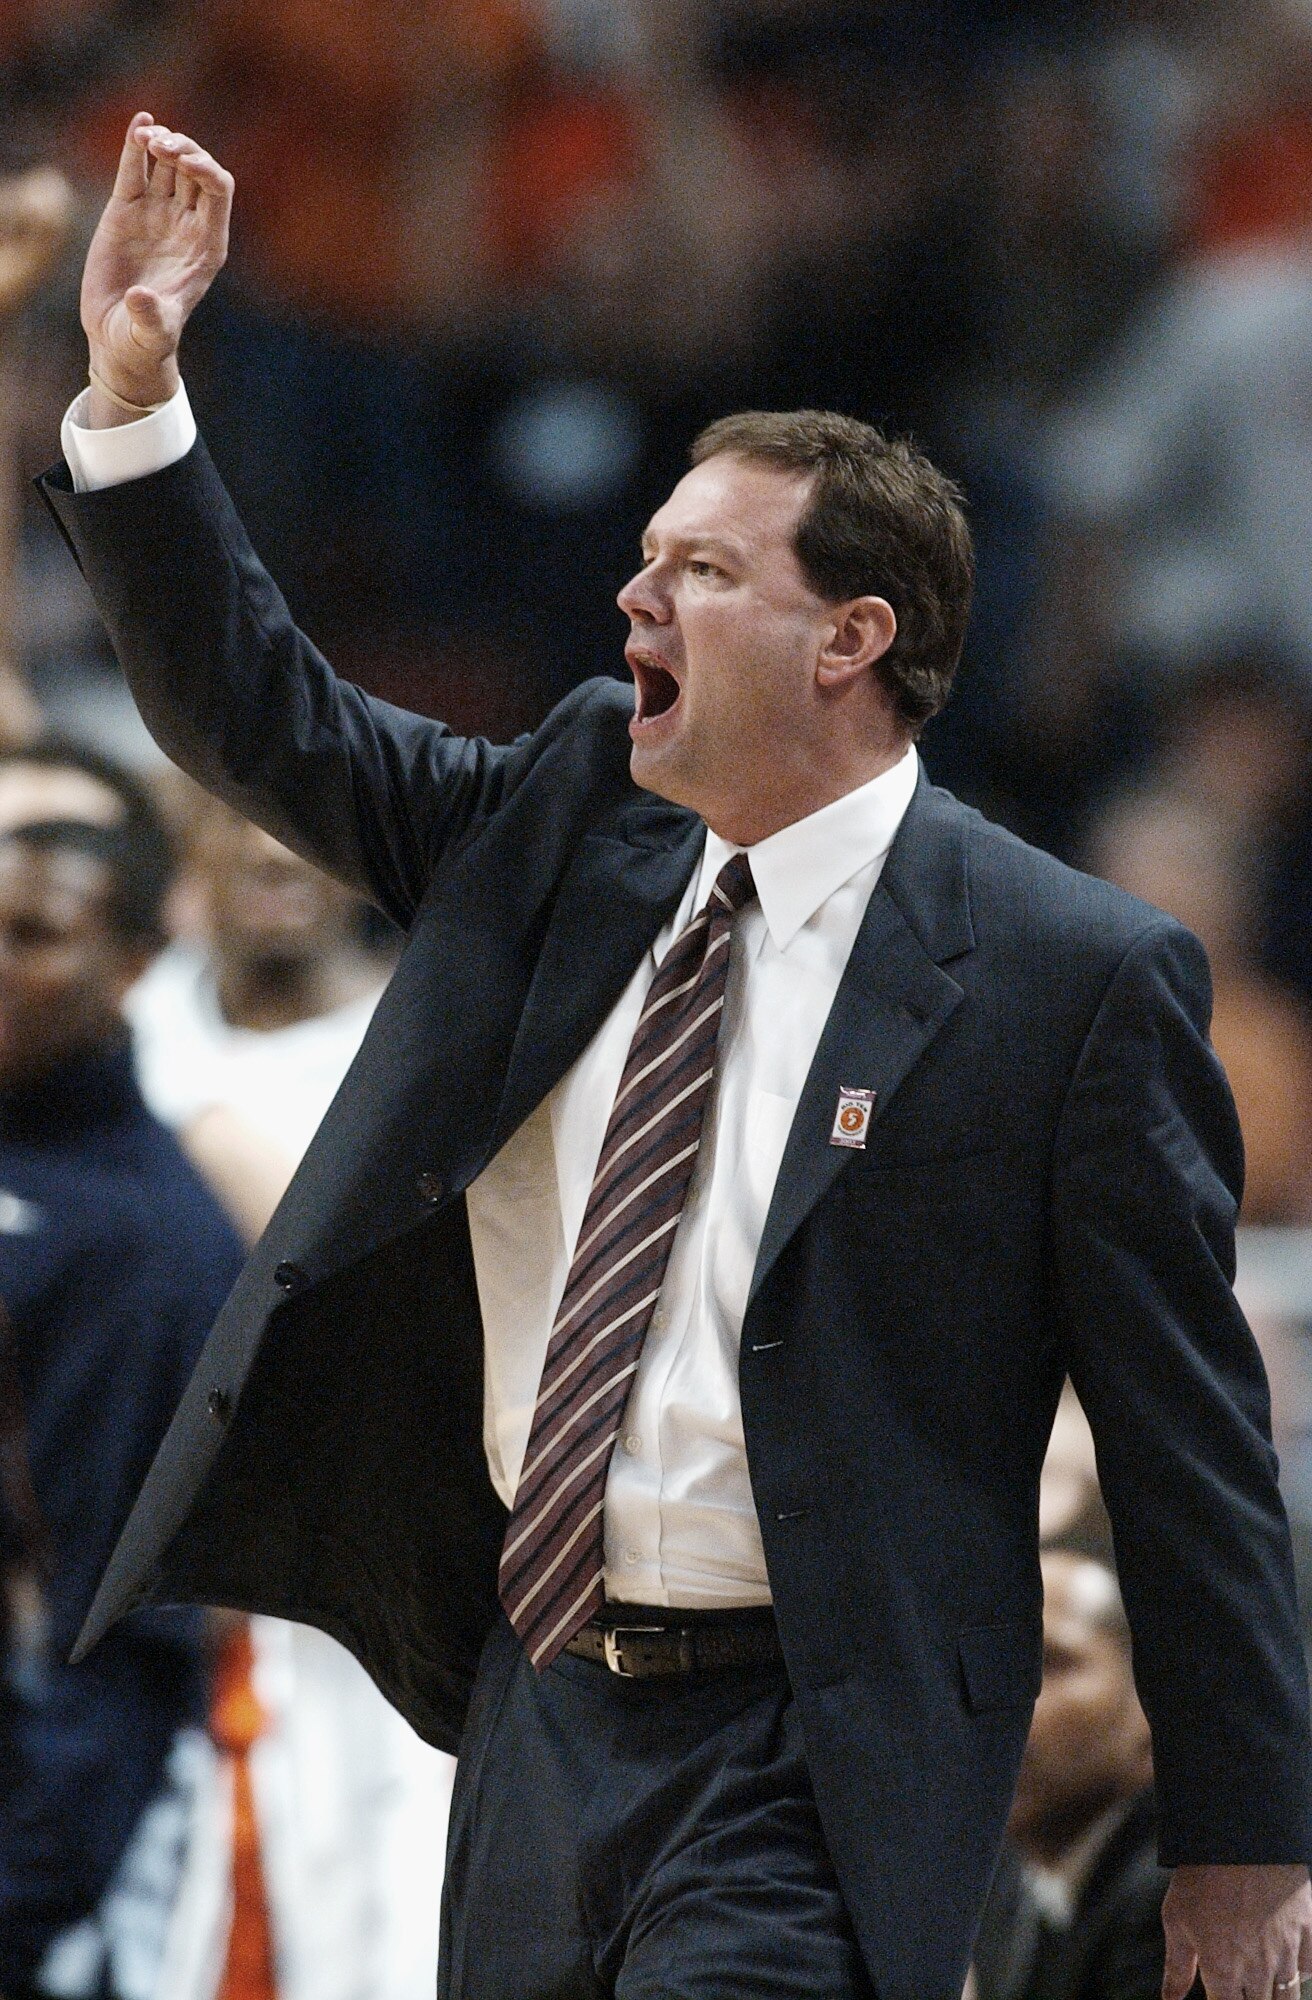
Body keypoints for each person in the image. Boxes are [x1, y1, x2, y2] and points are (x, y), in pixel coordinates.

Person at [34, 114, 1312, 2000]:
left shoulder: (1068, 970)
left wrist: (1243, 1838)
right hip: (535, 1702)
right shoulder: (566, 818)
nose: (632, 599)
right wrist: (138, 396)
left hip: (818, 1747)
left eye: (700, 573)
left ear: (849, 640)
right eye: (642, 557)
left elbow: (1188, 1438)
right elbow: (261, 718)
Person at [124, 794, 454, 2000]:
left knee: (363, 1940)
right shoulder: (122, 1010)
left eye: (305, 817)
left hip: (334, 1601)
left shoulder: (434, 1040)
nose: (275, 845)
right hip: (108, 1570)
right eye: (238, 813)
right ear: (178, 848)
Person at [0, 747, 243, 2000]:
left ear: (139, 961)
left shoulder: (150, 1240)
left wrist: (21, 1904)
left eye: (31, 934)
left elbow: (122, 1638)